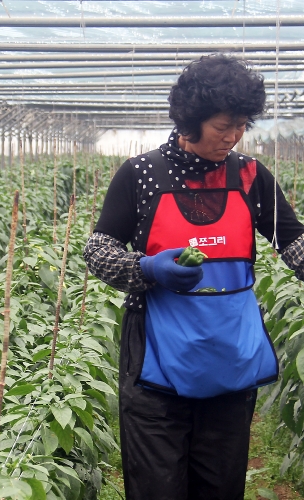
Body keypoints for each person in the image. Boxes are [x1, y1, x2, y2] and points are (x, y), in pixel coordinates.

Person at [84, 54, 304, 499]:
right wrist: (145, 267)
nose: (233, 136)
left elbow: (295, 244)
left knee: (219, 484)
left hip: (229, 357)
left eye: (242, 125)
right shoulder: (141, 175)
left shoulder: (250, 177)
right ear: (191, 120)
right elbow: (98, 249)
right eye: (224, 126)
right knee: (156, 485)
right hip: (156, 362)